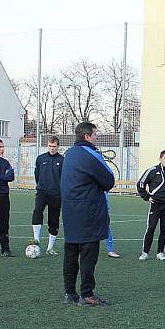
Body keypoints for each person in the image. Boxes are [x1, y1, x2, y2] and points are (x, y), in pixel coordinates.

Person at [61, 122, 115, 306]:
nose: (97, 137)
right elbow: (109, 180)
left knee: (70, 253)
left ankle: (69, 293)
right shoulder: (90, 154)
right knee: (88, 254)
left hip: (69, 210)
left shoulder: (69, 153)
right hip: (87, 211)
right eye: (95, 134)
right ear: (87, 136)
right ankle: (87, 294)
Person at [137, 149, 165, 261]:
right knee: (151, 228)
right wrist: (147, 197)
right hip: (155, 205)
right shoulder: (152, 171)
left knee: (164, 230)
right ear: (160, 159)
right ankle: (145, 252)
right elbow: (141, 183)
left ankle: (160, 252)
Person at [30, 136, 63, 256]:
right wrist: (41, 185)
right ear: (47, 146)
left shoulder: (62, 160)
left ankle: (50, 248)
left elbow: (64, 179)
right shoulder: (40, 158)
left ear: (58, 147)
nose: (52, 149)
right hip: (42, 191)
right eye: (50, 146)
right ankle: (36, 239)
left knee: (54, 220)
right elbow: (37, 175)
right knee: (37, 211)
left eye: (54, 146)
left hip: (56, 194)